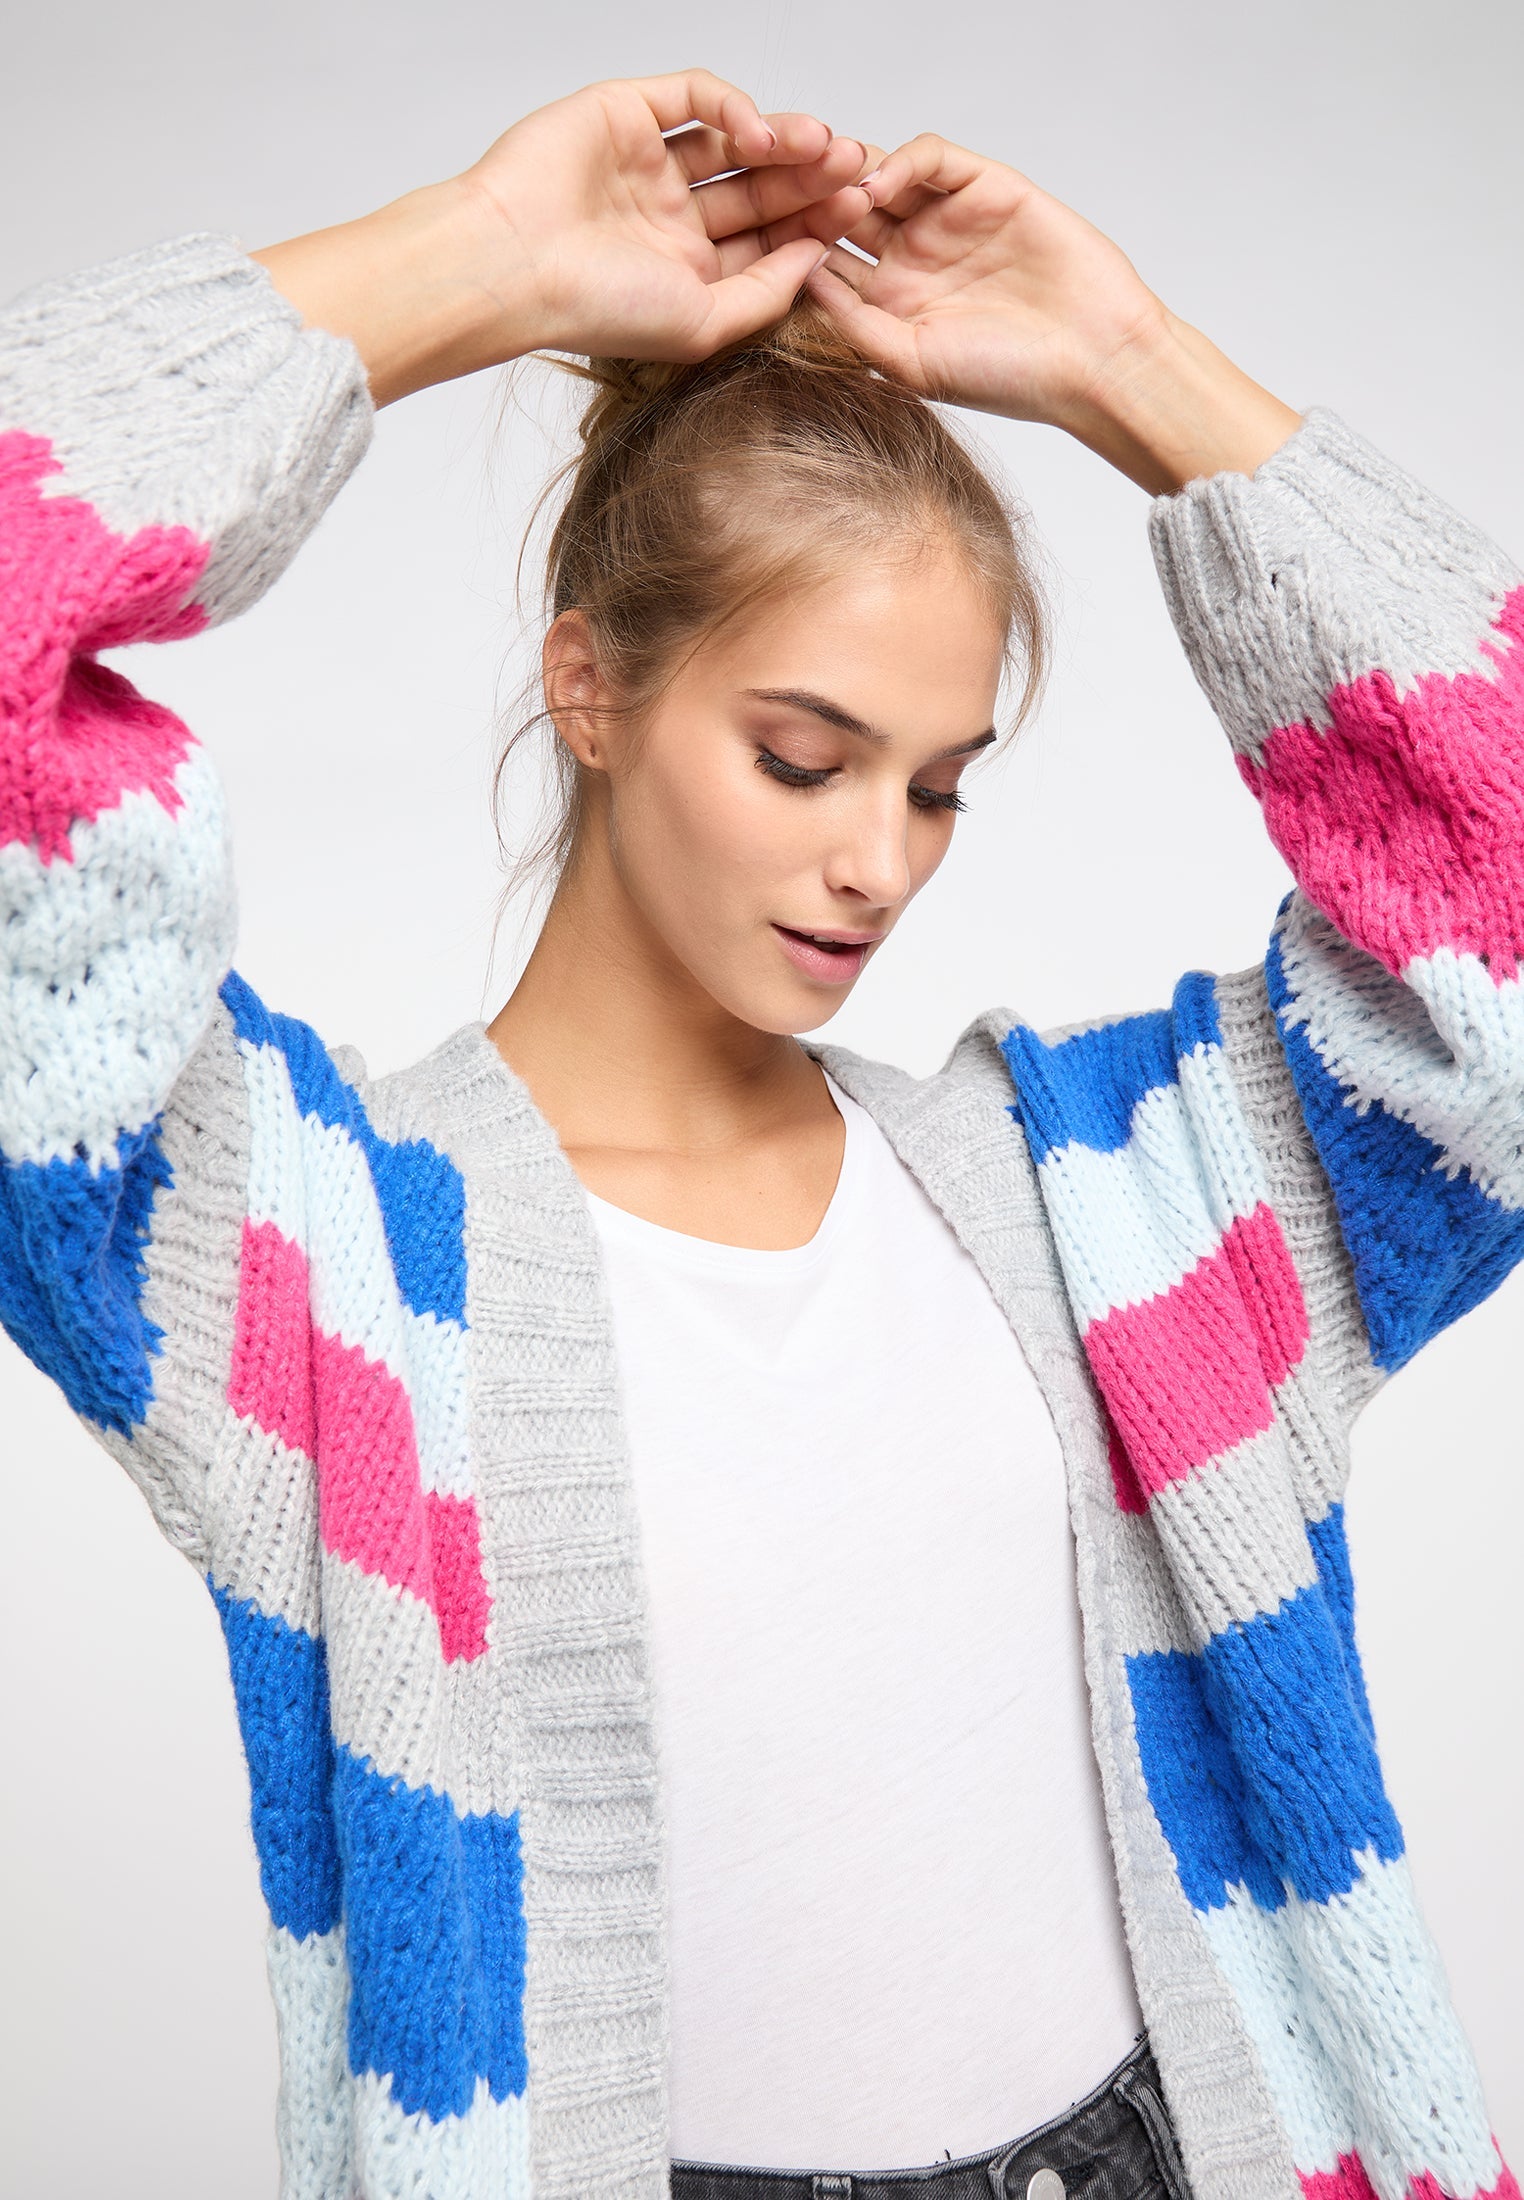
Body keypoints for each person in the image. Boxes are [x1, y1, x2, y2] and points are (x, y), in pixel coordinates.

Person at [0, 64, 1518, 2200]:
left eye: (936, 784)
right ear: (592, 687)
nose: (880, 860)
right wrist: (473, 265)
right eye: (804, 757)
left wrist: (1131, 365)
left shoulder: (1124, 1201)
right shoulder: (318, 1268)